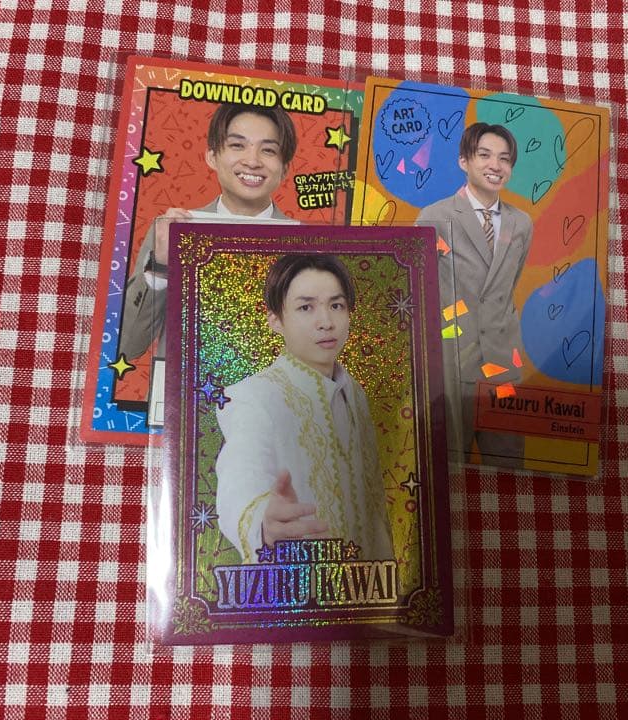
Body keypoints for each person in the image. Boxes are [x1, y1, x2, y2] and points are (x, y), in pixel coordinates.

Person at [214, 254, 394, 564]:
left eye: (336, 305)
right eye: (306, 308)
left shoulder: (355, 392)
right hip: (300, 579)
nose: (326, 322)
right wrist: (264, 522)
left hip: (370, 580)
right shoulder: (253, 396)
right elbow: (239, 482)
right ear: (275, 320)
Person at [119, 103, 298, 360]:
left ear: (285, 168)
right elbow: (127, 345)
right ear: (212, 156)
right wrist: (159, 267)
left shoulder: (307, 244)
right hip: (181, 384)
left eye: (268, 150)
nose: (252, 161)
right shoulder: (172, 230)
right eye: (237, 145)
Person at [416, 122, 533, 469]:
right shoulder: (434, 217)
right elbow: (421, 291)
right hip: (451, 364)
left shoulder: (521, 223)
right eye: (484, 155)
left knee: (509, 464)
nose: (495, 165)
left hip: (504, 364)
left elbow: (506, 287)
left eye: (504, 158)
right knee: (449, 465)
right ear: (464, 161)